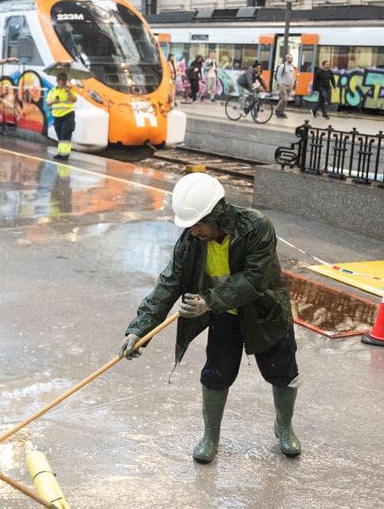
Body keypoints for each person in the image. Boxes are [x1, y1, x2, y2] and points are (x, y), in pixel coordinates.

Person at [118, 172, 301, 464]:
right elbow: (169, 282)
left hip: (265, 311)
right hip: (222, 315)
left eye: (197, 224)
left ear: (217, 215)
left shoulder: (256, 227)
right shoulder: (191, 242)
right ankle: (210, 436)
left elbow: (255, 278)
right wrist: (140, 329)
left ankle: (284, 425)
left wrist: (209, 300)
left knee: (282, 370)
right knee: (217, 374)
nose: (193, 231)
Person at [46, 71, 77, 160]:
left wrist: (69, 92)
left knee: (65, 135)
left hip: (68, 115)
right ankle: (60, 153)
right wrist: (53, 101)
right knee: (60, 135)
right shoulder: (53, 90)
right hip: (57, 116)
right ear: (57, 81)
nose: (63, 82)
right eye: (61, 80)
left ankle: (65, 155)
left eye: (65, 80)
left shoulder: (70, 89)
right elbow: (48, 102)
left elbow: (74, 100)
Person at [273, 53, 297, 119]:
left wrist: (294, 82)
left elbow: (293, 75)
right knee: (284, 99)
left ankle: (282, 112)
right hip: (283, 85)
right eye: (289, 58)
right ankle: (277, 110)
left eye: (291, 58)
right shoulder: (282, 66)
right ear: (286, 59)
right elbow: (278, 76)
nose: (290, 59)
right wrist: (281, 84)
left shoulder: (292, 66)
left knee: (285, 100)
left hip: (290, 85)